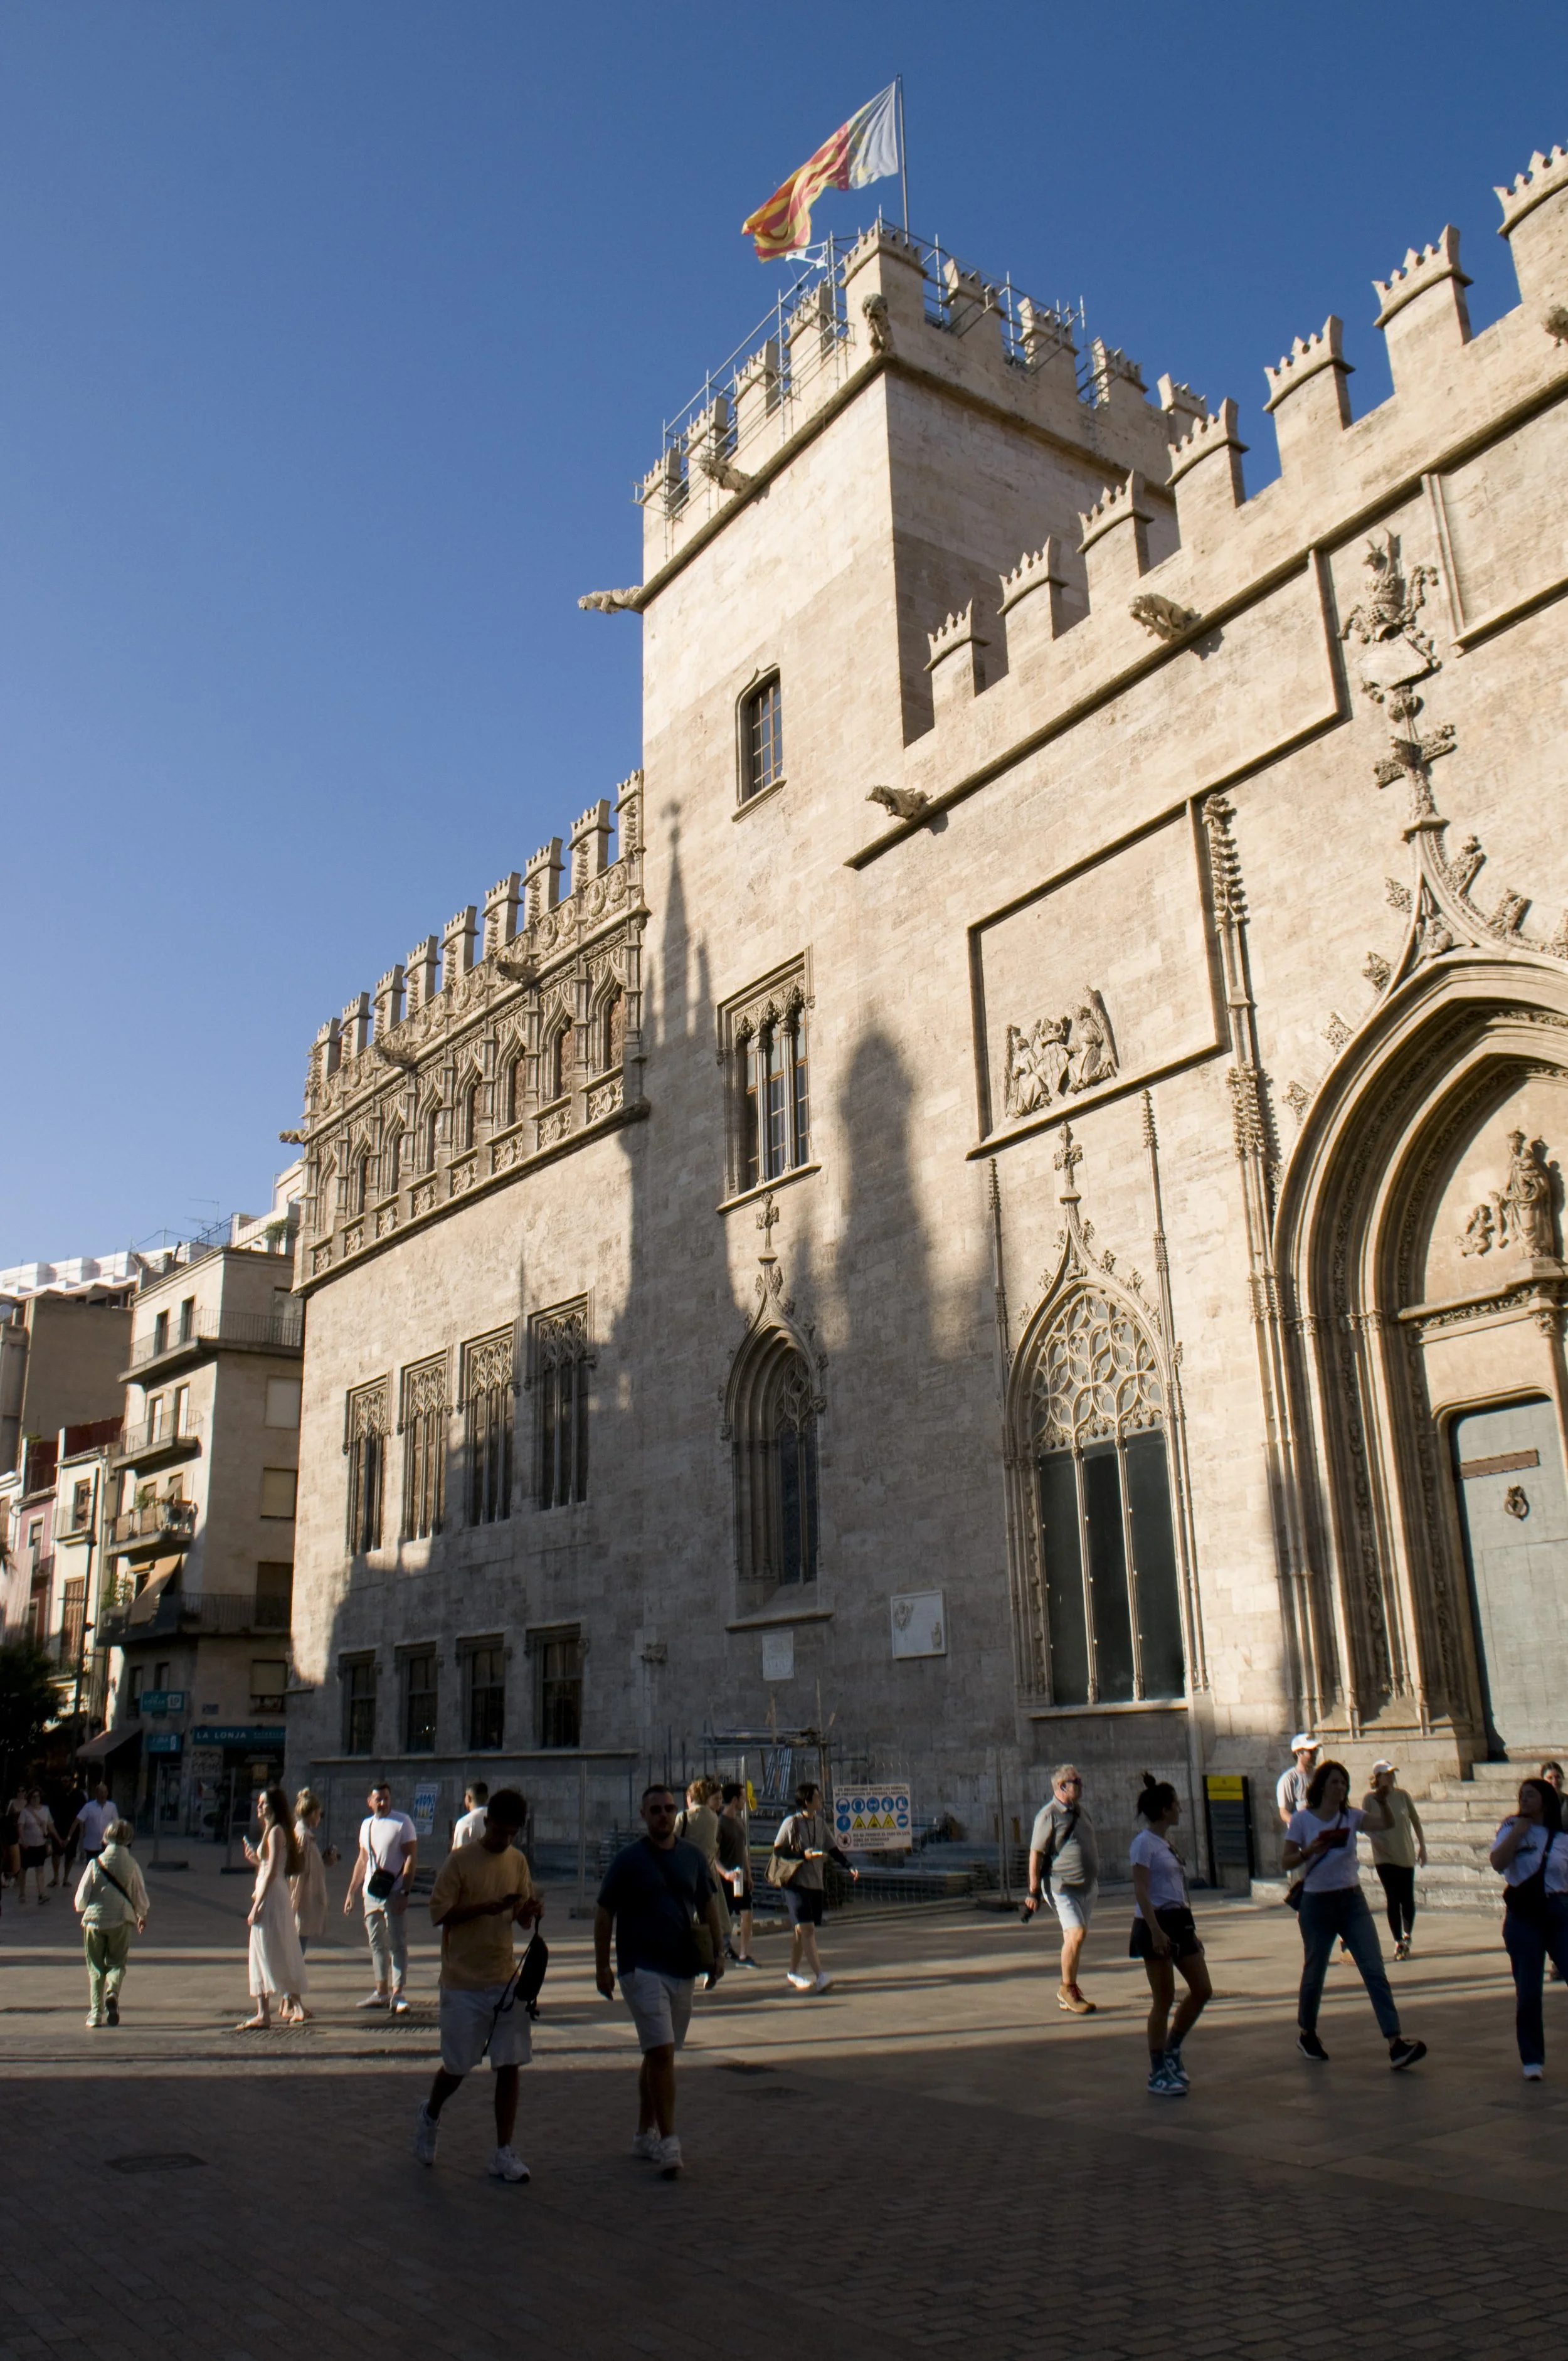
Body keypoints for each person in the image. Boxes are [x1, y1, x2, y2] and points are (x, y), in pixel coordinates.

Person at [595, 1784, 727, 2179]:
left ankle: (643, 2133)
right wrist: (602, 1965)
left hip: (682, 1966)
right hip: (640, 1966)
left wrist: (719, 1954)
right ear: (643, 1816)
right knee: (663, 2053)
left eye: (669, 1809)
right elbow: (604, 1913)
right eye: (656, 1810)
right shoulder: (628, 1860)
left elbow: (707, 1904)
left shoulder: (691, 1857)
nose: (664, 1816)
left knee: (658, 2054)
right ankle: (670, 2141)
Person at [414, 1788, 543, 2181]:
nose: (504, 1840)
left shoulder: (517, 1861)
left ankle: (503, 2150)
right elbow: (440, 1914)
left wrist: (528, 1912)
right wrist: (485, 1908)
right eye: (499, 1831)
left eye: (512, 1834)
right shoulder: (459, 1862)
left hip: (505, 1978)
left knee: (510, 2063)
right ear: (485, 1824)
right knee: (457, 2066)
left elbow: (519, 1916)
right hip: (463, 1981)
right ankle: (431, 2113)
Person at [1283, 1759, 1426, 2071]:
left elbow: (1385, 1824)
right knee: (1315, 1970)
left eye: (1344, 1783)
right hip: (1317, 1904)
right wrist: (1310, 1852)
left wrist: (1384, 1802)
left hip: (1352, 1901)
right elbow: (1286, 1861)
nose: (1340, 1788)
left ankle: (1395, 2043)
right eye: (1335, 1782)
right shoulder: (1303, 1820)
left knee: (1374, 1969)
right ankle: (1307, 2032)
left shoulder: (1352, 1816)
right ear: (1321, 1786)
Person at [1129, 1774, 1210, 2097]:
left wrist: (1193, 1931)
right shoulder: (1143, 1843)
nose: (1180, 1809)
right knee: (1163, 1999)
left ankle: (1174, 2046)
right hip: (1156, 1923)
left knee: (1203, 1989)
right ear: (1164, 1810)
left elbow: (1177, 1889)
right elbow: (1141, 1890)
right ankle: (1158, 2068)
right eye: (1176, 1804)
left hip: (1180, 1920)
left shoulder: (1165, 1843)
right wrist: (1156, 1930)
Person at [1489, 1777, 1568, 2081]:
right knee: (1529, 1991)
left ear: (1546, 1801)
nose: (1524, 1799)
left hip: (1558, 1911)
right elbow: (1497, 1862)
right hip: (1524, 1917)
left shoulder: (1560, 1838)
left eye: (1531, 1795)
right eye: (1521, 1795)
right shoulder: (1511, 1828)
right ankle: (1532, 2059)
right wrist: (1518, 1832)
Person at [1022, 1764, 1100, 2014]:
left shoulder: (1081, 1812)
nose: (1081, 1785)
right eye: (1076, 1781)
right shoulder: (1049, 1815)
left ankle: (1070, 1990)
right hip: (1061, 1887)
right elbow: (1036, 1854)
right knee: (1076, 1934)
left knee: (1075, 1938)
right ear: (1062, 1786)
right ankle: (1068, 1988)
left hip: (1086, 1887)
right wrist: (1033, 1892)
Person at [772, 1779, 858, 1993]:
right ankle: (821, 1976)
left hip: (815, 1882)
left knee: (801, 1931)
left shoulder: (819, 1823)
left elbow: (832, 1848)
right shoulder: (791, 1823)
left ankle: (793, 1972)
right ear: (807, 1801)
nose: (820, 1800)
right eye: (817, 1796)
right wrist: (803, 1855)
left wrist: (849, 1866)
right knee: (807, 1929)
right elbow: (778, 1850)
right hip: (795, 1883)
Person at [238, 1785, 309, 2031]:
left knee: (268, 1948)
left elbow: (272, 1872)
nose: (259, 1807)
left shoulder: (276, 1831)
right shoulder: (273, 1830)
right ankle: (282, 2008)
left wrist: (257, 1905)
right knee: (271, 1948)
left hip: (271, 1896)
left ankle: (268, 2012)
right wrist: (256, 1860)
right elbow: (269, 1866)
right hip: (271, 1893)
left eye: (264, 1803)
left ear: (274, 1806)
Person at [344, 1781, 418, 2013]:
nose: (383, 1803)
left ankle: (398, 1993)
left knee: (397, 1942)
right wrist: (351, 1891)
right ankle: (381, 1991)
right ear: (370, 1802)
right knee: (376, 1943)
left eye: (386, 1798)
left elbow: (411, 1858)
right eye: (379, 1799)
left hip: (394, 1891)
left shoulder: (402, 1822)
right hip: (371, 1892)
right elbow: (362, 1860)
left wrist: (405, 1892)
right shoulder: (366, 1825)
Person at [73, 1817, 149, 2027]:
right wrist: (142, 1915)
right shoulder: (132, 1864)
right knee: (117, 1963)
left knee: (96, 1969)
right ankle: (113, 1992)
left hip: (94, 1921)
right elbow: (139, 1894)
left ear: (105, 1839)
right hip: (121, 1919)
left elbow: (81, 1898)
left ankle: (95, 2014)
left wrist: (84, 1907)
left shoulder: (95, 1863)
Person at [1365, 1759, 1426, 1961]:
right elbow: (1364, 1823)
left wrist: (1422, 1847)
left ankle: (1408, 1935)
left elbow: (1415, 1820)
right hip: (1384, 1855)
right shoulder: (1370, 1799)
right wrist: (1375, 1839)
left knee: (1407, 1897)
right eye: (1386, 1773)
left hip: (1405, 1852)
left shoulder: (1403, 1796)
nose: (1390, 1776)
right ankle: (1398, 1939)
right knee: (1393, 1897)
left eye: (1392, 1773)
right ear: (1378, 1778)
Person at [285, 1789, 332, 2023]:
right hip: (300, 1906)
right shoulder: (302, 1836)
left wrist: (324, 1861)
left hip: (303, 1904)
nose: (320, 1818)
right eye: (319, 1814)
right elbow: (296, 1876)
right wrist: (292, 1907)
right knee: (296, 1956)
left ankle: (288, 2002)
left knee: (296, 1954)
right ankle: (295, 2004)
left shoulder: (305, 1836)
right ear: (313, 1813)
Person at [675, 1778, 731, 1968]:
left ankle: (690, 1957)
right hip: (708, 1873)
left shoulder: (684, 1817)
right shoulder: (713, 1818)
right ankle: (713, 1959)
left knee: (687, 1919)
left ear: (691, 1797)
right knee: (710, 1917)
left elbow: (672, 1842)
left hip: (685, 1874)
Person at [718, 1783, 756, 1965]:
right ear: (735, 1800)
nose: (745, 1802)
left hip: (741, 1877)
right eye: (743, 1798)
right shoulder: (720, 1824)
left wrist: (749, 1873)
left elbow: (743, 1850)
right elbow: (713, 1855)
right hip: (725, 1879)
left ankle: (743, 1954)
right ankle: (723, 1949)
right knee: (722, 1917)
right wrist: (725, 1874)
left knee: (747, 1913)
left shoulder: (740, 1822)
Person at [16, 1788, 58, 1904]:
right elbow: (20, 1828)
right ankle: (22, 1893)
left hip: (40, 1844)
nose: (36, 1799)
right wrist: (23, 1840)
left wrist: (58, 1839)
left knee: (40, 1869)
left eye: (38, 1796)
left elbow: (50, 1826)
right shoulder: (25, 1812)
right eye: (33, 1797)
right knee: (24, 1870)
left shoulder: (45, 1810)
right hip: (27, 1845)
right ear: (30, 1799)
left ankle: (41, 1893)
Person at [73, 1779, 119, 1873]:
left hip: (107, 1844)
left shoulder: (112, 1807)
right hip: (91, 1844)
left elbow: (116, 1823)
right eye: (101, 1792)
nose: (103, 1795)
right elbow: (78, 1820)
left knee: (106, 1868)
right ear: (96, 1794)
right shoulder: (88, 1806)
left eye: (105, 1792)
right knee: (92, 1869)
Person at [1276, 1735, 1318, 1829]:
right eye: (1311, 1751)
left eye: (1316, 1750)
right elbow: (1284, 1813)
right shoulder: (1289, 1779)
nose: (1315, 1754)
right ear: (1299, 1753)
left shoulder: (1318, 1775)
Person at [56, 1778, 87, 1886]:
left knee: (71, 1854)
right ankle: (56, 1877)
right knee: (56, 1853)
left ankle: (66, 1878)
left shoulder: (79, 1795)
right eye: (63, 1781)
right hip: (58, 1827)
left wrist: (83, 1829)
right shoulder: (57, 1793)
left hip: (74, 1828)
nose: (65, 1783)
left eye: (68, 1781)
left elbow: (83, 1813)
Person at [454, 1782, 490, 1847]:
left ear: (468, 1798)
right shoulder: (498, 1820)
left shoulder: (464, 1822)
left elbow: (459, 1853)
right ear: (487, 1797)